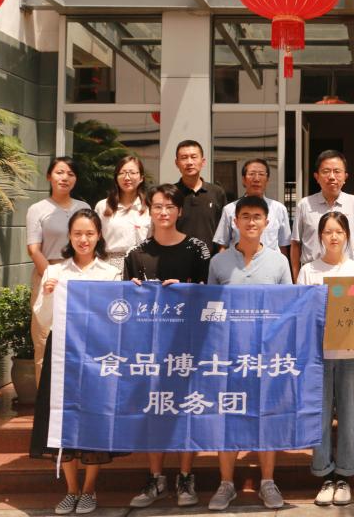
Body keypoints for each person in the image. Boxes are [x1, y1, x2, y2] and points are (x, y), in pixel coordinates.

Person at [29, 209, 122, 515]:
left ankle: (89, 489)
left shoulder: (110, 274)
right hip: (62, 354)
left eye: (89, 234)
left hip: (97, 354)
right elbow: (44, 320)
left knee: (94, 419)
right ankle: (71, 490)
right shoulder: (55, 272)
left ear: (99, 236)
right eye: (78, 234)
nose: (84, 240)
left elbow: (116, 319)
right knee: (62, 418)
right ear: (69, 236)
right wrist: (48, 294)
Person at [125, 184, 211, 509]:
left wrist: (187, 289)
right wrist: (132, 291)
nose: (163, 212)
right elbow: (125, 307)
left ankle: (186, 477)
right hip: (150, 347)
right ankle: (155, 478)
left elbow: (208, 294)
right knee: (155, 410)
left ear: (180, 211)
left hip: (189, 343)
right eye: (158, 206)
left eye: (170, 207)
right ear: (149, 210)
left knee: (187, 409)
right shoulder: (137, 253)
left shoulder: (197, 249)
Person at [206, 196, 292, 511]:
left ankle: (267, 482)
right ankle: (226, 484)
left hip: (266, 356)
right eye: (245, 216)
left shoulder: (279, 262)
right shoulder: (218, 263)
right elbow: (210, 311)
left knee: (265, 418)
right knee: (227, 418)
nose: (251, 222)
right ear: (235, 221)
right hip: (228, 356)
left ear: (267, 223)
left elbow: (288, 309)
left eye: (257, 216)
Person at [297, 211, 354, 507]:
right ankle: (324, 474)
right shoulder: (308, 271)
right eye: (328, 232)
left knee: (350, 417)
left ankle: (345, 476)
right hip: (318, 357)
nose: (334, 237)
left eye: (339, 231)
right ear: (320, 236)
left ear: (348, 235)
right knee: (320, 417)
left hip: (352, 356)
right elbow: (302, 314)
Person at [26, 156, 90, 383]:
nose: (65, 178)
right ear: (49, 176)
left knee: (80, 339)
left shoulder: (84, 208)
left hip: (79, 276)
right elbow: (33, 249)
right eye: (60, 172)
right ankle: (44, 399)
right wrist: (53, 276)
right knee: (44, 339)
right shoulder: (37, 209)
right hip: (48, 276)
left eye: (70, 174)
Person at [291, 150, 354, 281]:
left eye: (337, 171)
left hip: (348, 276)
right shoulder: (304, 205)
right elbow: (295, 244)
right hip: (313, 276)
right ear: (316, 176)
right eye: (326, 171)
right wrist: (296, 279)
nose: (332, 176)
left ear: (345, 176)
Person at [213, 158, 291, 256]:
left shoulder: (279, 209)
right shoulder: (230, 209)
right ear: (243, 179)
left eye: (261, 174)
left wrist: (283, 264)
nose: (256, 179)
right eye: (252, 174)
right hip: (239, 263)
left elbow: (283, 246)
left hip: (270, 264)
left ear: (267, 180)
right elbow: (223, 245)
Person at [94, 155, 151, 269]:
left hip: (142, 264)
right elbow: (94, 239)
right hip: (109, 266)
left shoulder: (150, 207)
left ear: (141, 178)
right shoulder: (102, 206)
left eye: (132, 173)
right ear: (116, 178)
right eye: (122, 173)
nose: (127, 177)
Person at [173, 140, 226, 255]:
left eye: (193, 157)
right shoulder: (171, 193)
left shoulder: (217, 192)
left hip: (210, 261)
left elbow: (223, 230)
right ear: (177, 163)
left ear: (203, 162)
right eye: (184, 158)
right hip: (176, 259)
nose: (189, 162)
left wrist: (221, 257)